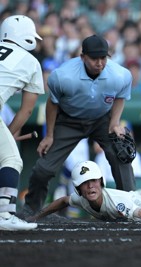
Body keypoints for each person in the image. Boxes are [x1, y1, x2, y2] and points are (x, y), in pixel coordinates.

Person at [23, 34, 135, 214]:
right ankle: (31, 211)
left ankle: (131, 206)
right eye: (94, 58)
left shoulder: (120, 75)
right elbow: (53, 104)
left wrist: (114, 123)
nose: (99, 63)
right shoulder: (62, 76)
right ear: (82, 57)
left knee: (120, 155)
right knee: (43, 169)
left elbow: (120, 97)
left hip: (101, 119)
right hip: (69, 121)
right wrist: (50, 135)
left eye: (103, 58)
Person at [0, 15, 45, 231]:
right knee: (11, 158)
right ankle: (4, 214)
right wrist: (9, 133)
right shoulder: (31, 62)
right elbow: (27, 110)